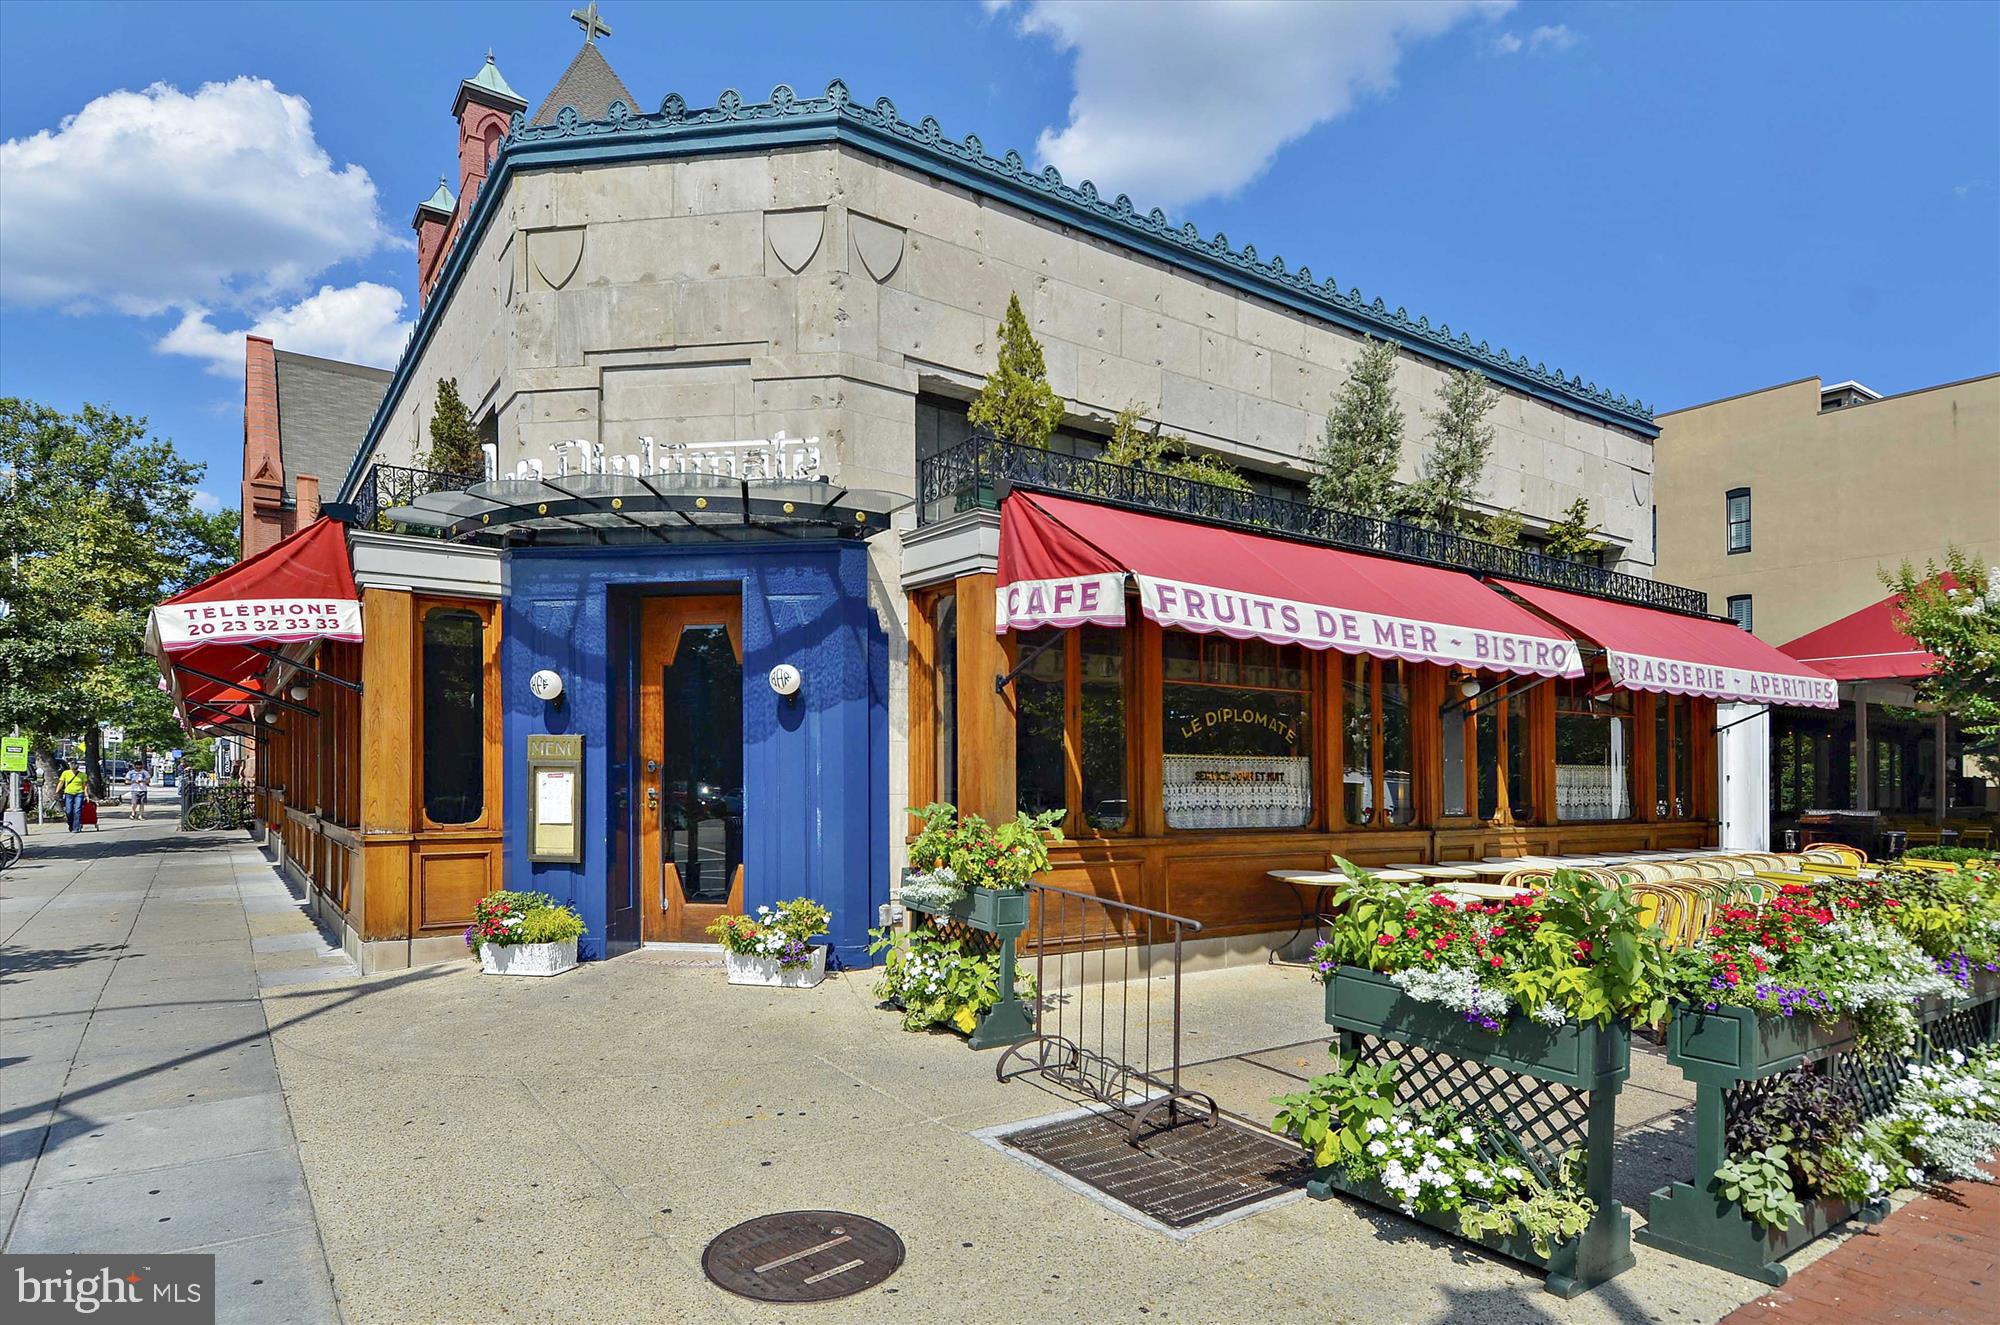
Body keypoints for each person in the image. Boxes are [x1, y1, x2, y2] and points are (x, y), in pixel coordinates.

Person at [57, 759, 89, 833]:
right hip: (68, 793)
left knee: (77, 810)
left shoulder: (82, 775)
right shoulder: (65, 773)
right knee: (68, 811)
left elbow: (85, 786)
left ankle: (76, 827)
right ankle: (71, 824)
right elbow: (61, 782)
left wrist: (86, 795)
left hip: (79, 793)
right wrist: (57, 791)